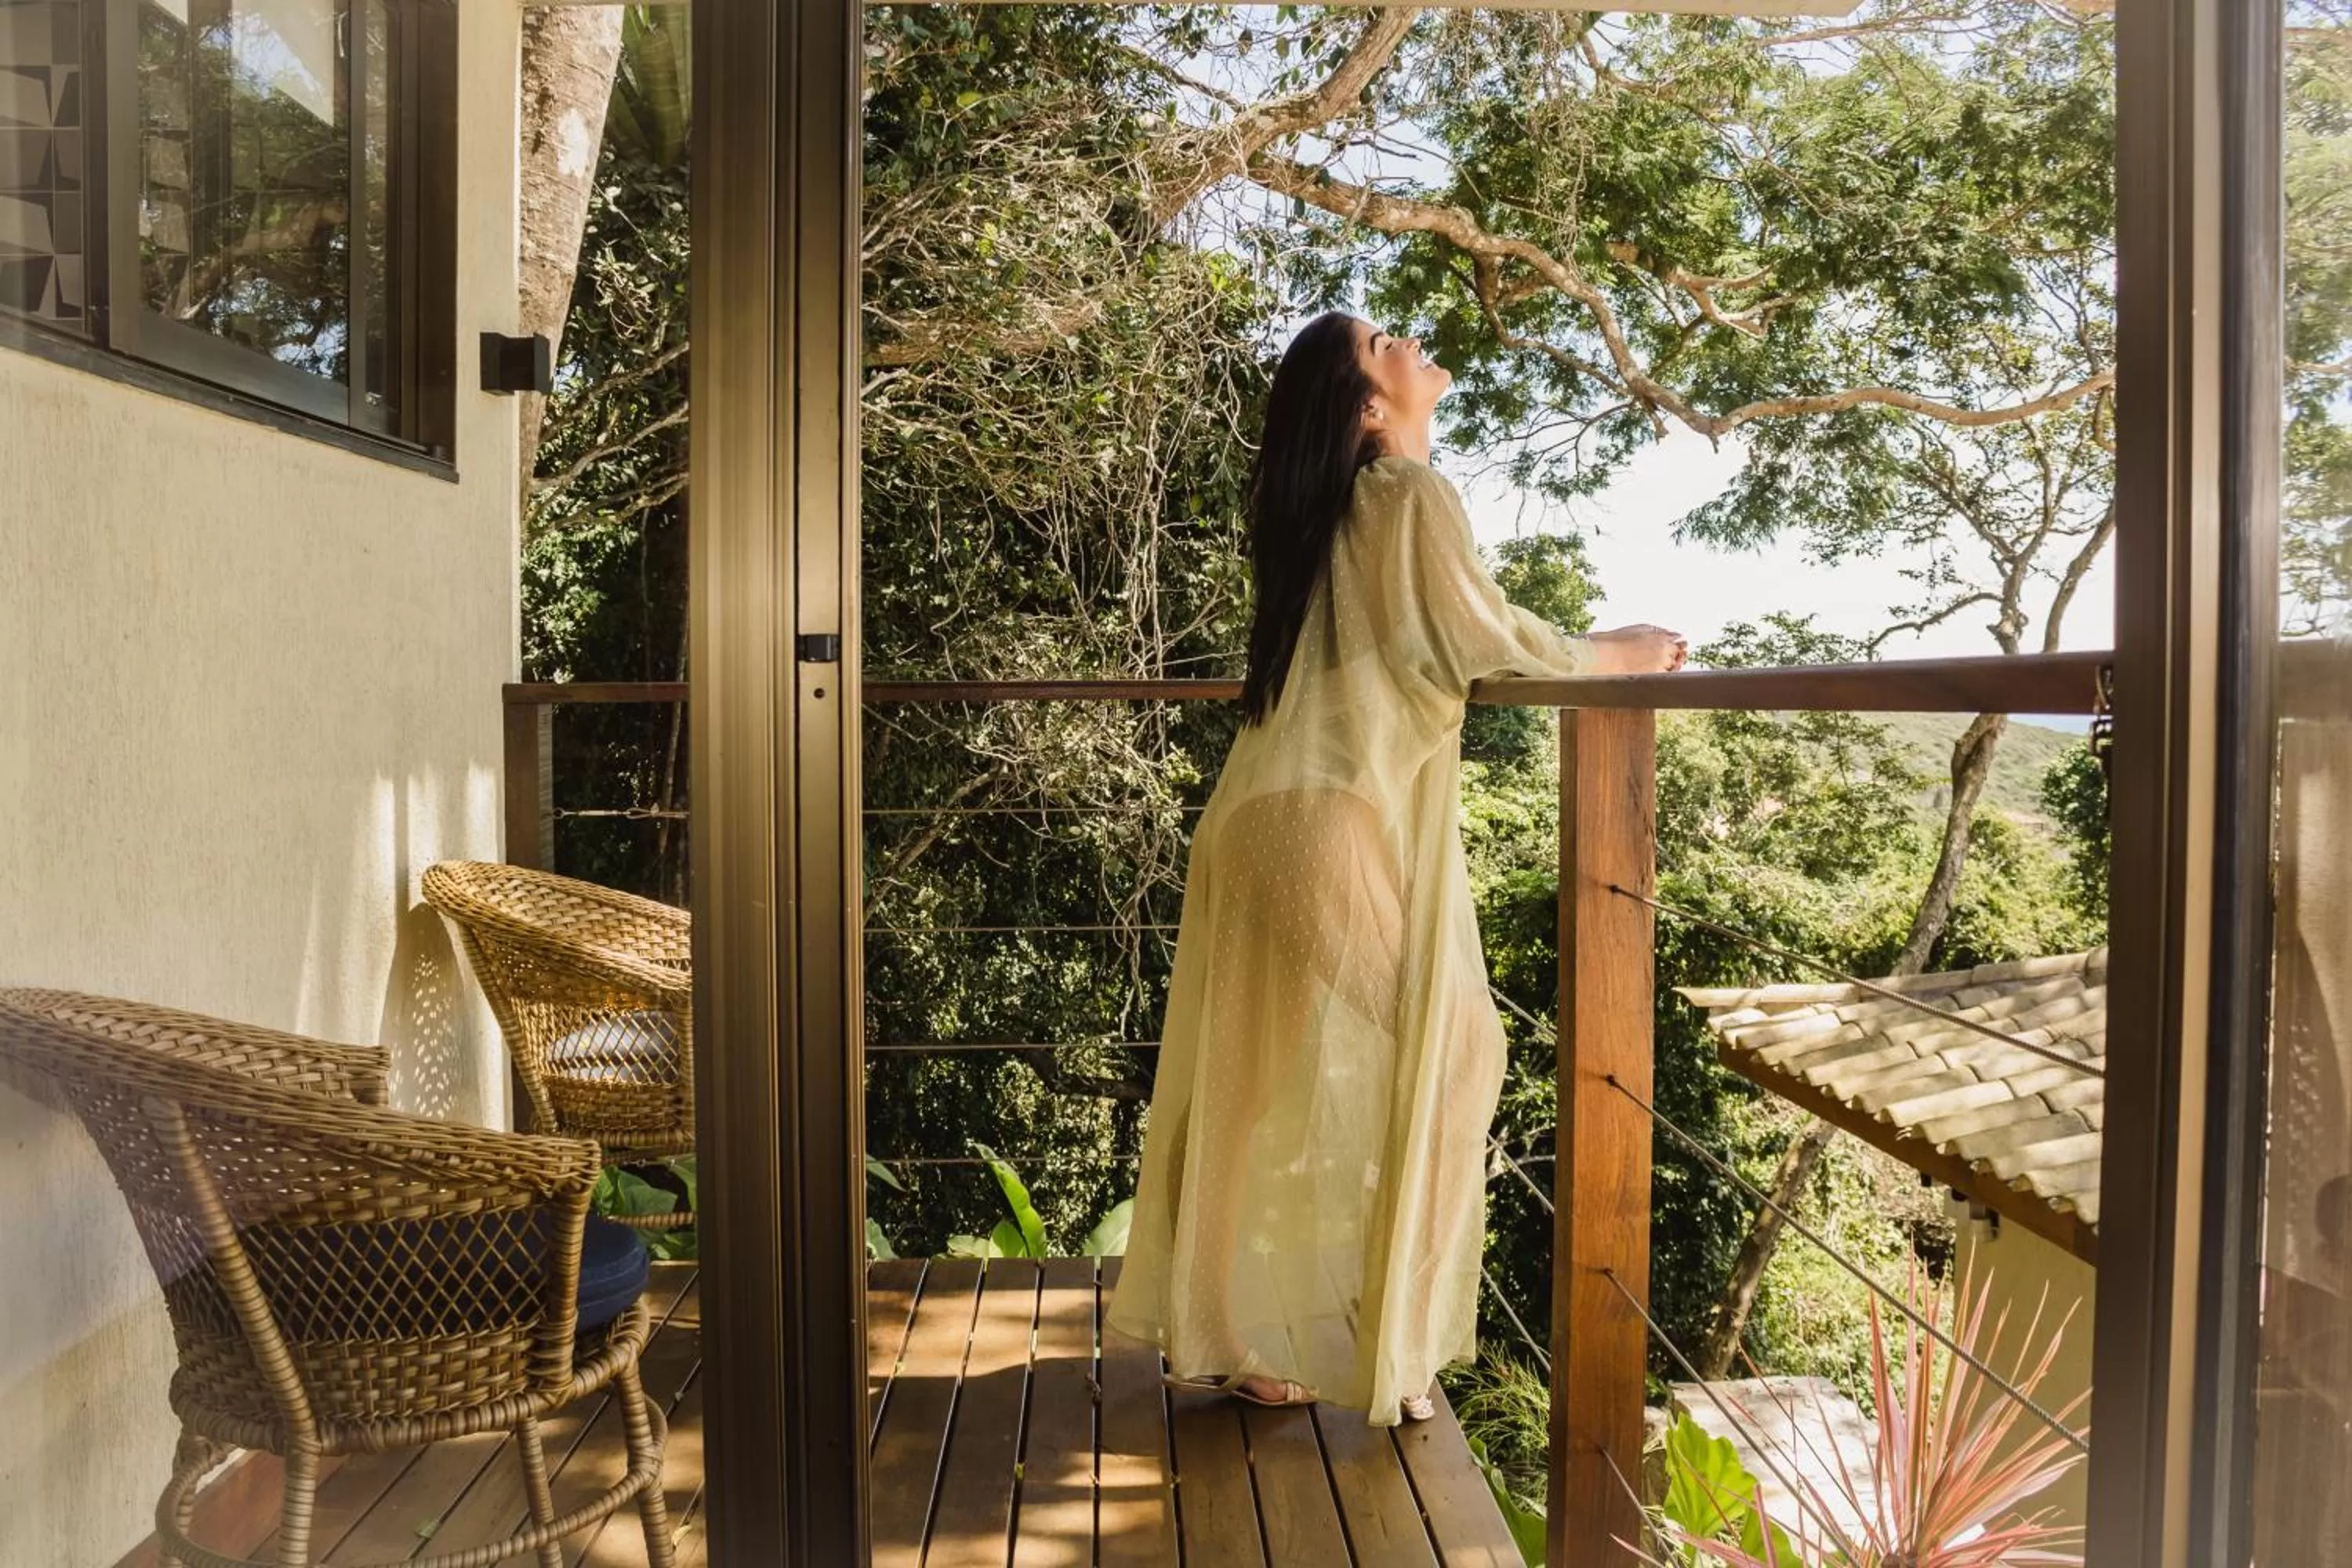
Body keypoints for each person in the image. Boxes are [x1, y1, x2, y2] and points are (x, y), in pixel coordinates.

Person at [1104, 312, 1686, 1425]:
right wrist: (1616, 653)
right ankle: (1394, 1342)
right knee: (1461, 1049)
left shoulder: (1343, 515)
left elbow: (1437, 636)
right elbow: (1476, 636)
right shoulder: (1406, 496)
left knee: (1244, 1084)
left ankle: (1221, 1333)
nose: (1413, 343)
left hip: (1260, 818)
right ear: (1369, 406)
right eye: (1386, 342)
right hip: (1319, 824)